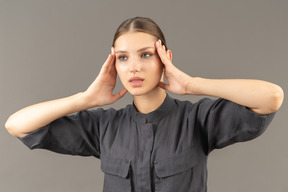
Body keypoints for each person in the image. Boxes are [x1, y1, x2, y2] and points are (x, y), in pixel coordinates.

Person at [5, 17, 284, 192]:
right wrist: (86, 99)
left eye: (146, 54)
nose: (134, 67)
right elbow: (16, 125)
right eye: (123, 58)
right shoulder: (104, 127)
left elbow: (271, 97)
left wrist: (192, 84)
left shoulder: (198, 119)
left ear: (165, 58)